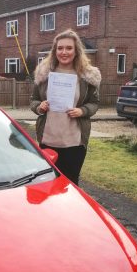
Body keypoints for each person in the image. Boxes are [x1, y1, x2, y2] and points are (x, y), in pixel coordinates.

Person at [30, 29, 101, 184]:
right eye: (60, 48)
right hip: (48, 140)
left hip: (74, 142)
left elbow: (94, 104)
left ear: (76, 51)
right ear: (55, 51)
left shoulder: (87, 76)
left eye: (69, 48)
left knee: (70, 184)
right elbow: (33, 101)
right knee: (48, 183)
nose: (64, 52)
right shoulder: (44, 73)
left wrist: (82, 110)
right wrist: (39, 107)